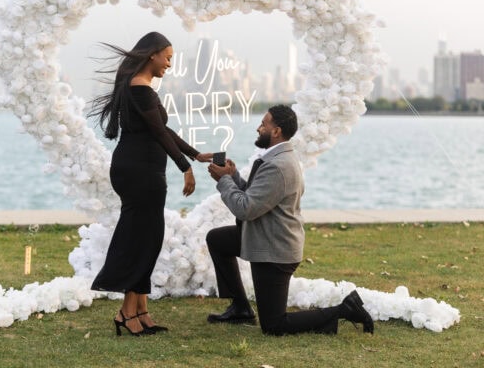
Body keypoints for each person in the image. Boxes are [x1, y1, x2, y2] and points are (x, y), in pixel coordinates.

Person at [205, 105, 374, 335]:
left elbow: (245, 209)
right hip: (264, 235)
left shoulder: (277, 166)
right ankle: (240, 307)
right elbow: (257, 197)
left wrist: (224, 181)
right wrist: (233, 177)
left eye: (263, 124)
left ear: (276, 131)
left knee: (274, 325)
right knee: (217, 239)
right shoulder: (277, 158)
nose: (259, 127)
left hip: (275, 250)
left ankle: (344, 309)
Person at [88, 32, 212, 337]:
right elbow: (158, 133)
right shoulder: (140, 90)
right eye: (168, 57)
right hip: (139, 173)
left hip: (140, 171)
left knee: (148, 237)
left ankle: (140, 309)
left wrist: (195, 155)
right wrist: (186, 168)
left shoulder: (140, 90)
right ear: (152, 55)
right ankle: (127, 312)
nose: (170, 64)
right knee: (142, 238)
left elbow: (163, 129)